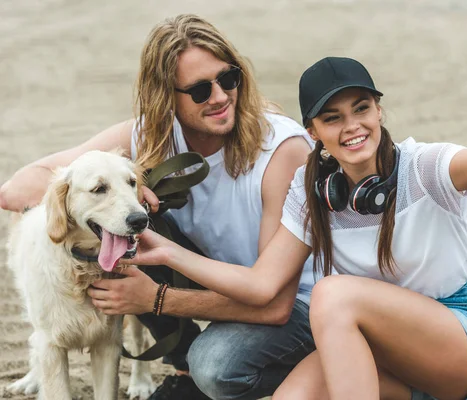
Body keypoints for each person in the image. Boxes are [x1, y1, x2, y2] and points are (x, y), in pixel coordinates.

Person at [119, 56, 467, 400]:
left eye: (362, 109)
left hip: (462, 337)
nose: (352, 126)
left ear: (379, 111)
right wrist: (167, 253)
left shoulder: (424, 168)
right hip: (385, 357)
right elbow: (262, 286)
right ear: (313, 132)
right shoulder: (312, 189)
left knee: (332, 293)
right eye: (333, 118)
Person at [0, 15, 319, 400]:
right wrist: (127, 189)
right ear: (166, 96)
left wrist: (153, 299)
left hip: (304, 304)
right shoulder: (150, 135)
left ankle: (317, 372)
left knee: (216, 366)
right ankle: (185, 366)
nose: (220, 97)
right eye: (200, 90)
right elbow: (17, 189)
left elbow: (275, 304)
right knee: (128, 223)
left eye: (228, 79)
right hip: (235, 283)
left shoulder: (283, 151)